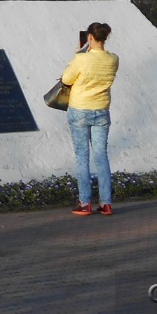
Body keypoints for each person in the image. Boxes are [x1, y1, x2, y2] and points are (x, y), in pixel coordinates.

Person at [62, 22, 119, 216]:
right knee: (101, 156)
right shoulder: (113, 59)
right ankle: (106, 203)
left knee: (82, 157)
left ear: (90, 38)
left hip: (79, 109)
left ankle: (85, 203)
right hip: (102, 110)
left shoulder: (81, 59)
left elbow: (66, 79)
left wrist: (78, 54)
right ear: (105, 37)